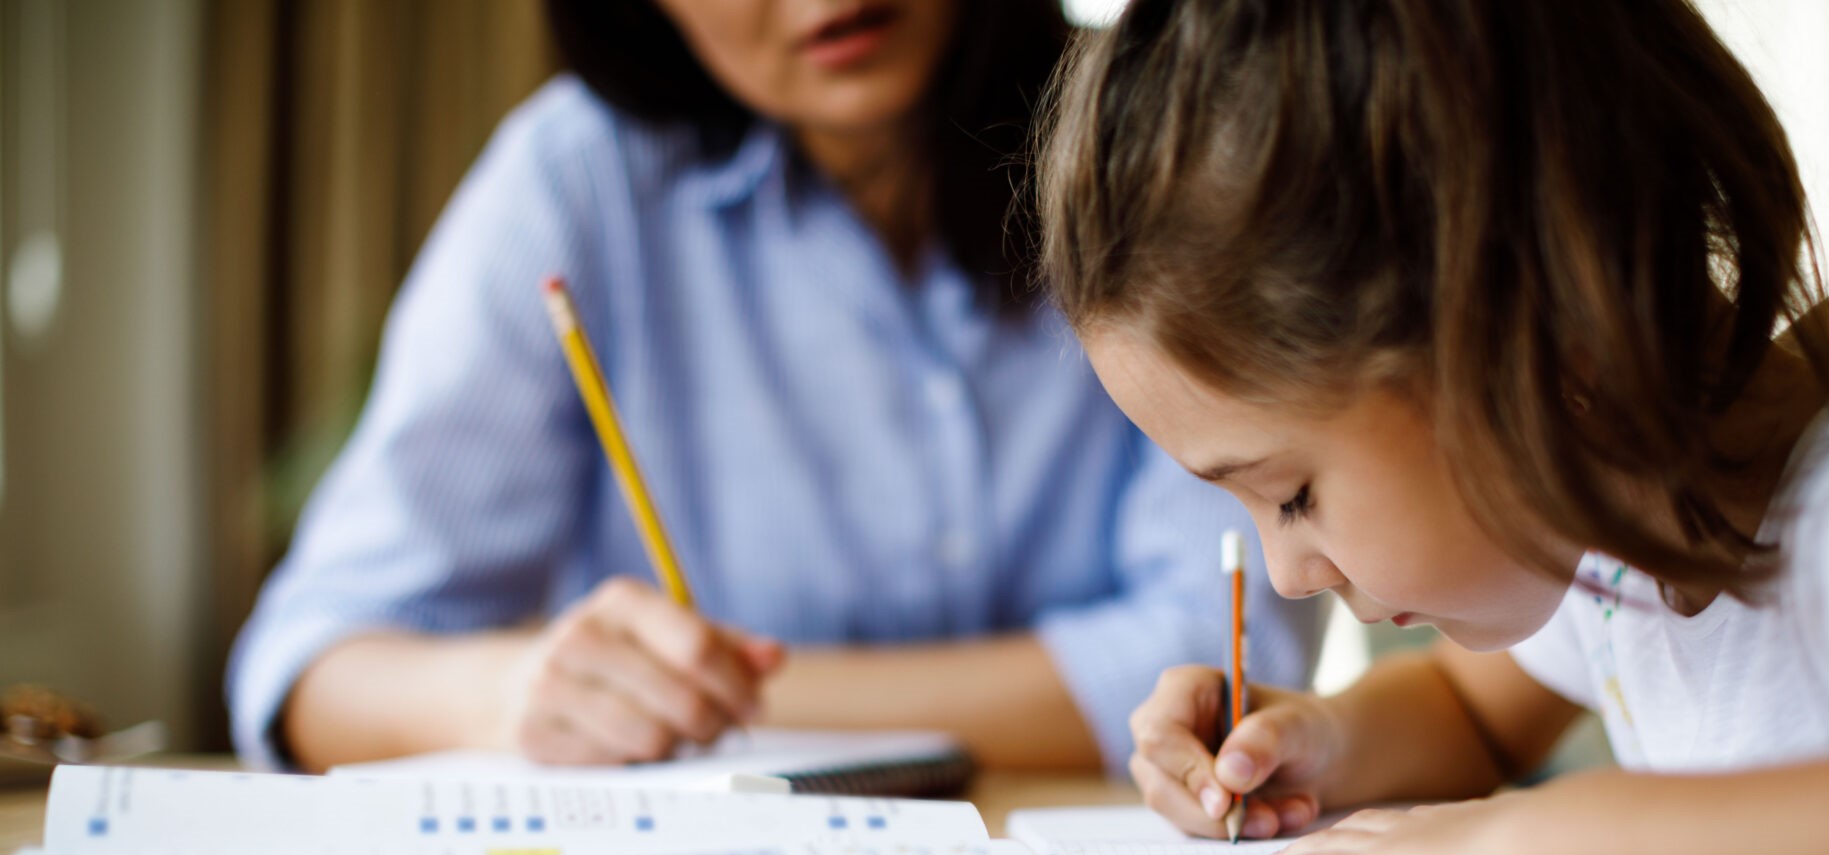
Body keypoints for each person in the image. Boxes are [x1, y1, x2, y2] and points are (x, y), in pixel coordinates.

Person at [1037, 0, 1829, 855]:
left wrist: (1530, 843)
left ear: (1525, 322)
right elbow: (1470, 710)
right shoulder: (1604, 510)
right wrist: (1312, 744)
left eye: (1289, 494)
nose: (1285, 575)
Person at [227, 0, 1318, 774]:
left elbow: (1226, 656)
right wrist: (515, 693)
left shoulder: (1159, 136)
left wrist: (724, 705)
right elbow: (307, 667)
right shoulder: (577, 186)